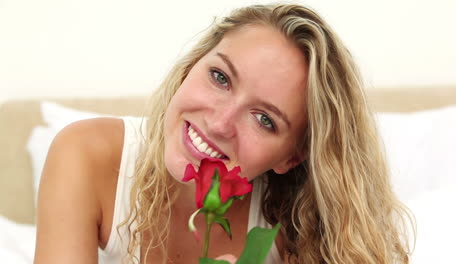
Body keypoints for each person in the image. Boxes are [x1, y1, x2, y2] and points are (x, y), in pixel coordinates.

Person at [33, 3, 413, 264]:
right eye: (220, 77)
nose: (219, 123)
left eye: (265, 119)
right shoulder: (88, 156)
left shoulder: (295, 227)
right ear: (192, 65)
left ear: (291, 157)